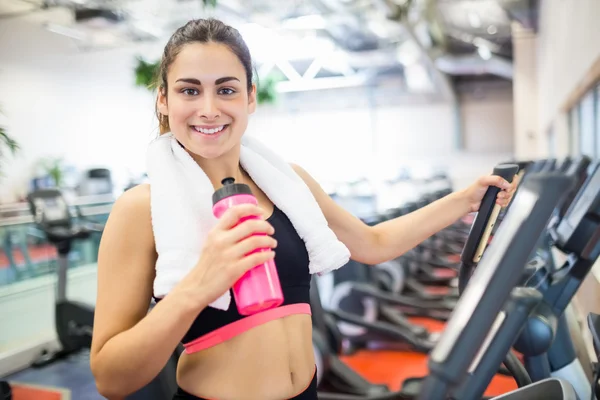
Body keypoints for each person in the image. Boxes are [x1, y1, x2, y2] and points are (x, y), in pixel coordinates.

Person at [89, 18, 517, 400]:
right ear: (163, 99)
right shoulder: (141, 209)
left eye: (226, 89)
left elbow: (374, 242)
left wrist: (465, 200)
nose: (208, 108)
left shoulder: (286, 181)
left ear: (250, 97)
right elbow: (111, 378)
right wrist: (197, 286)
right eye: (189, 90)